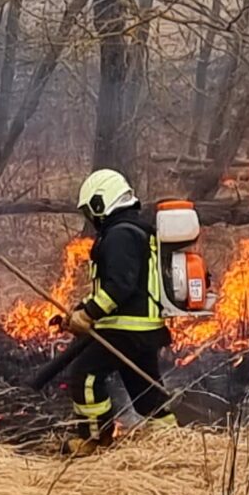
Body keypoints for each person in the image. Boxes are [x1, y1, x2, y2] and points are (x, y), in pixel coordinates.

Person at [56, 168, 176, 456]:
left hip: (126, 329)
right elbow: (114, 287)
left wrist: (89, 314)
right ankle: (172, 441)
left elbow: (120, 287)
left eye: (90, 210)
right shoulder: (134, 230)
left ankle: (94, 440)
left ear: (101, 202)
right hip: (142, 329)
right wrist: (79, 311)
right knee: (145, 390)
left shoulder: (120, 235)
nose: (90, 217)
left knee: (85, 375)